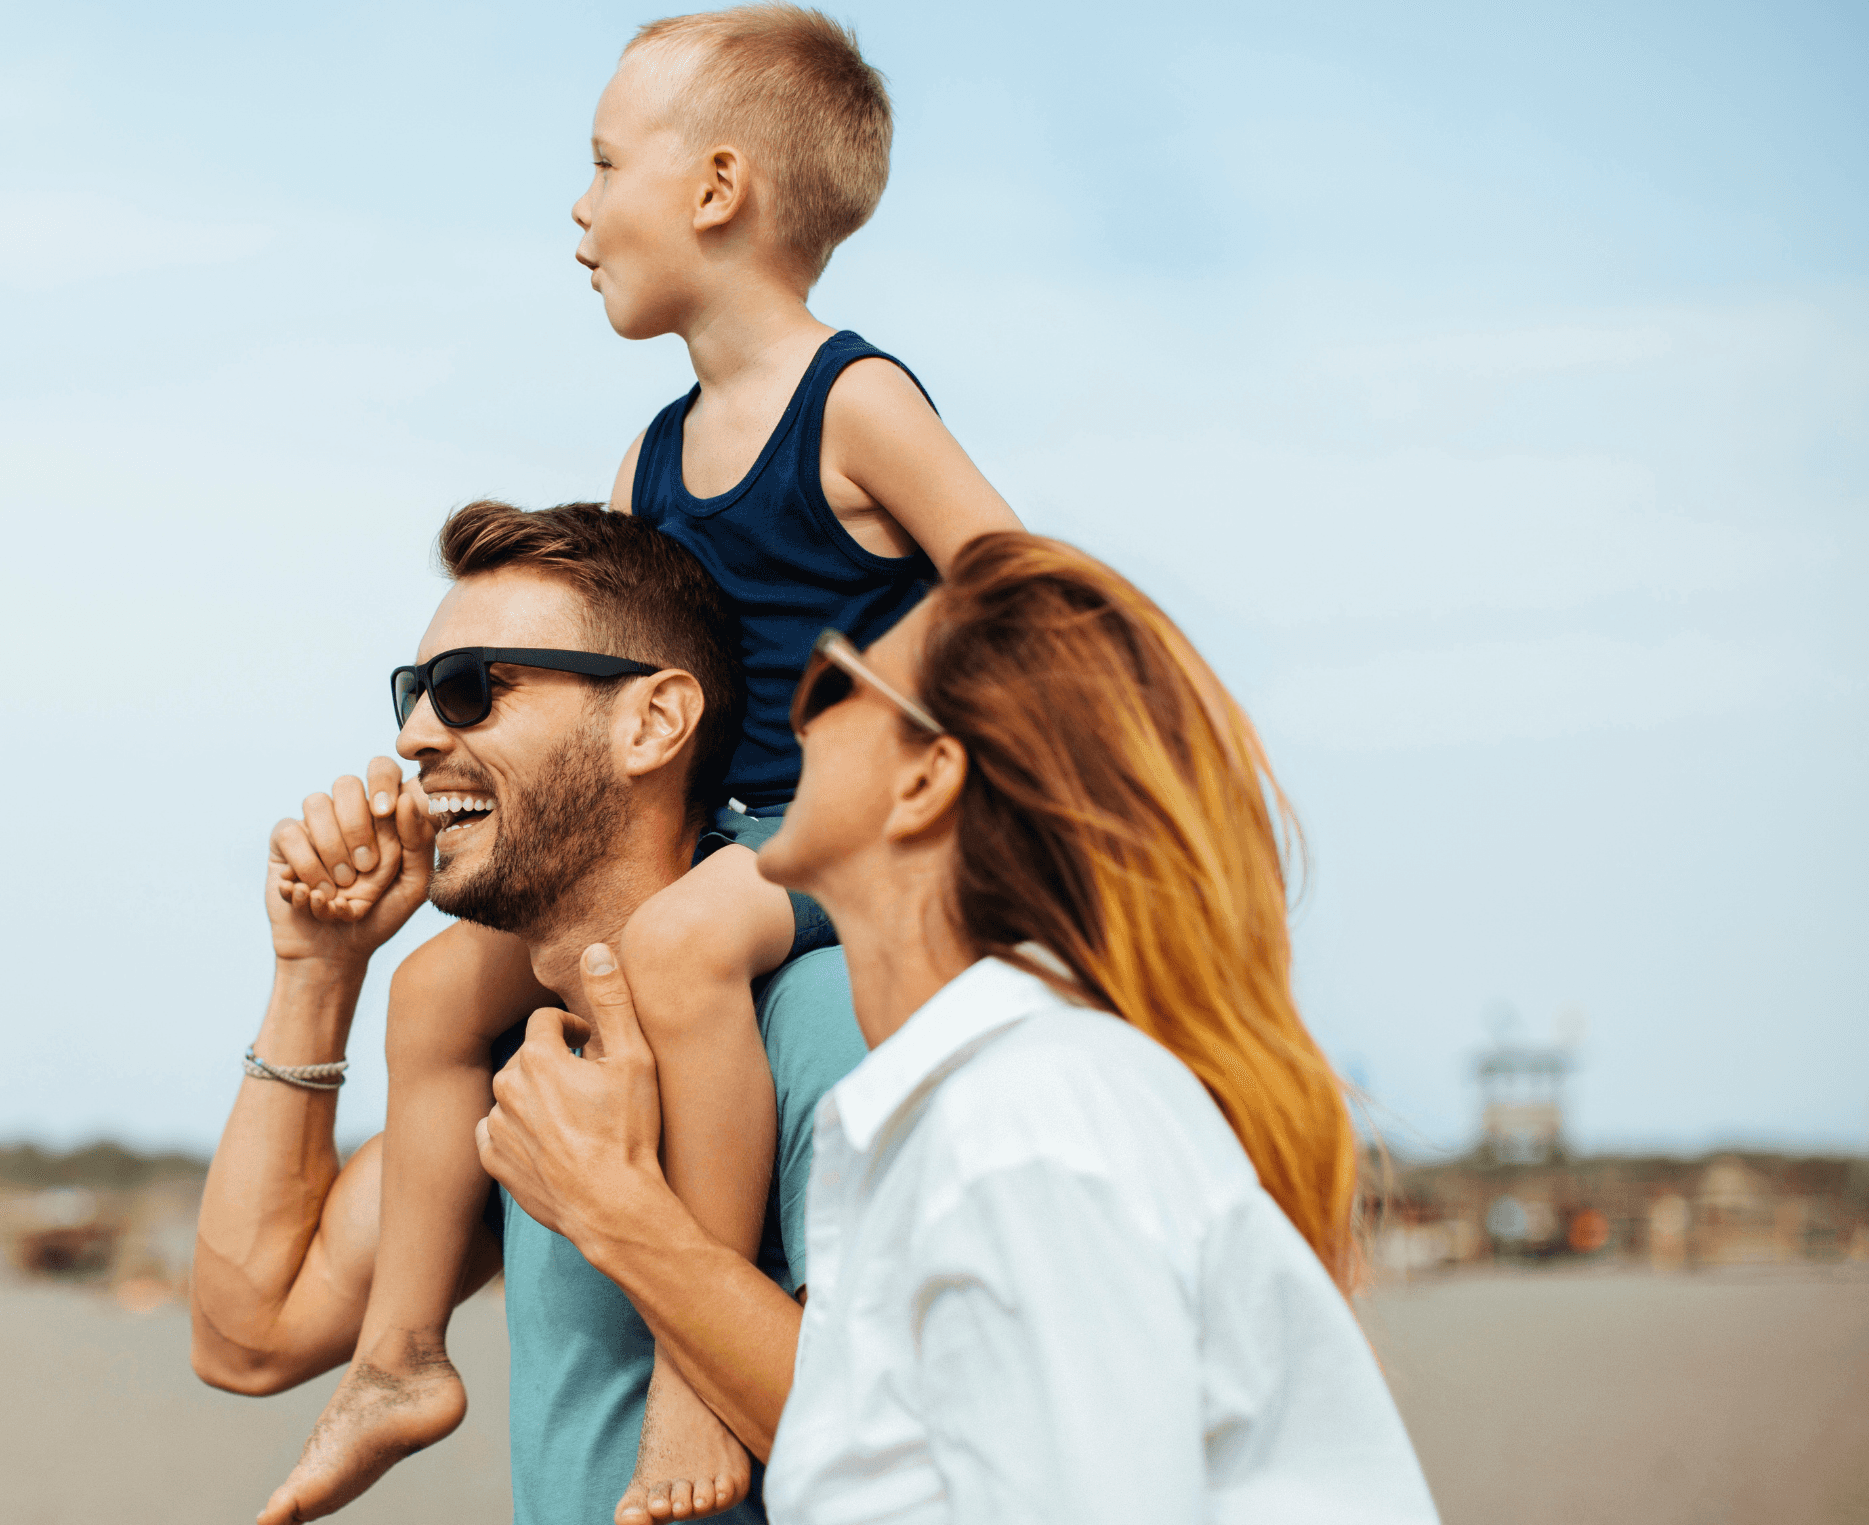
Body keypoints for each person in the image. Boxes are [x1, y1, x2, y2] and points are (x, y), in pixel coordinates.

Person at [307, 6, 1024, 1523]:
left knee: (687, 949)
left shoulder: (856, 400)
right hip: (719, 830)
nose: (577, 205)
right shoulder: (653, 448)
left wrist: (866, 692)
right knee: (439, 987)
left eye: (602, 161)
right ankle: (398, 1358)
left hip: (841, 834)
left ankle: (702, 1379)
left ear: (715, 189)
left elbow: (1017, 584)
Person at [478, 532, 1442, 1522]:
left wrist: (616, 1212)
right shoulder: (977, 1108)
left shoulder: (1027, 1126)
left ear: (923, 779)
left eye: (828, 686)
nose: (783, 728)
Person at [190, 502, 868, 1525]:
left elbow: (920, 1449)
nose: (416, 736)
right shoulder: (516, 1059)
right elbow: (248, 1335)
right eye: (414, 693)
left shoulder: (816, 1016)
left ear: (651, 723)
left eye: (471, 690)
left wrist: (612, 1210)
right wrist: (316, 975)